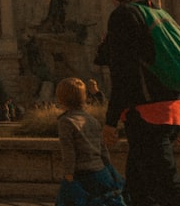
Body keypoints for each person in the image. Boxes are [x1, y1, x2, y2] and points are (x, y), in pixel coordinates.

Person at [94, 0, 180, 206]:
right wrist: (175, 125)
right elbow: (168, 65)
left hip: (147, 116)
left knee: (169, 192)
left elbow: (123, 75)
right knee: (138, 194)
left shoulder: (123, 15)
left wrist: (110, 122)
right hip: (170, 109)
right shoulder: (155, 12)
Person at [54, 77, 126, 206]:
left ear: (61, 99)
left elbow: (68, 151)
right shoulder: (92, 120)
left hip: (81, 175)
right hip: (100, 172)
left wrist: (68, 175)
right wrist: (108, 168)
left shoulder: (66, 121)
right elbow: (102, 148)